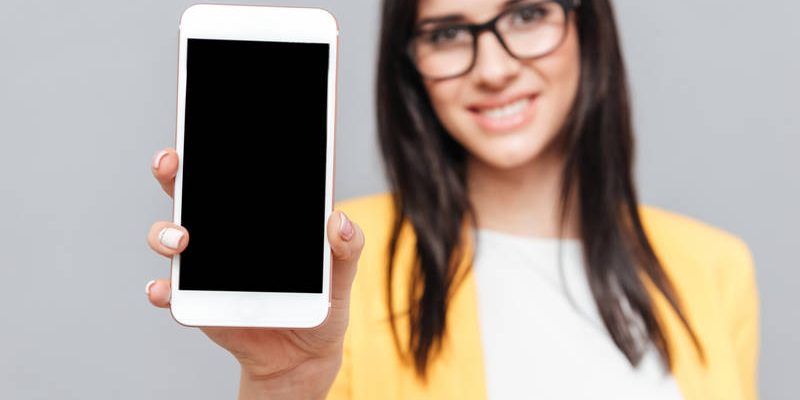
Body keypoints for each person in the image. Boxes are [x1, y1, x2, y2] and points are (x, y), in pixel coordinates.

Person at [145, 0, 760, 398]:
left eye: (527, 15)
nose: (492, 68)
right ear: (409, 64)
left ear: (588, 26)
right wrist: (283, 379)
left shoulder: (713, 266)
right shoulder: (341, 261)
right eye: (446, 33)